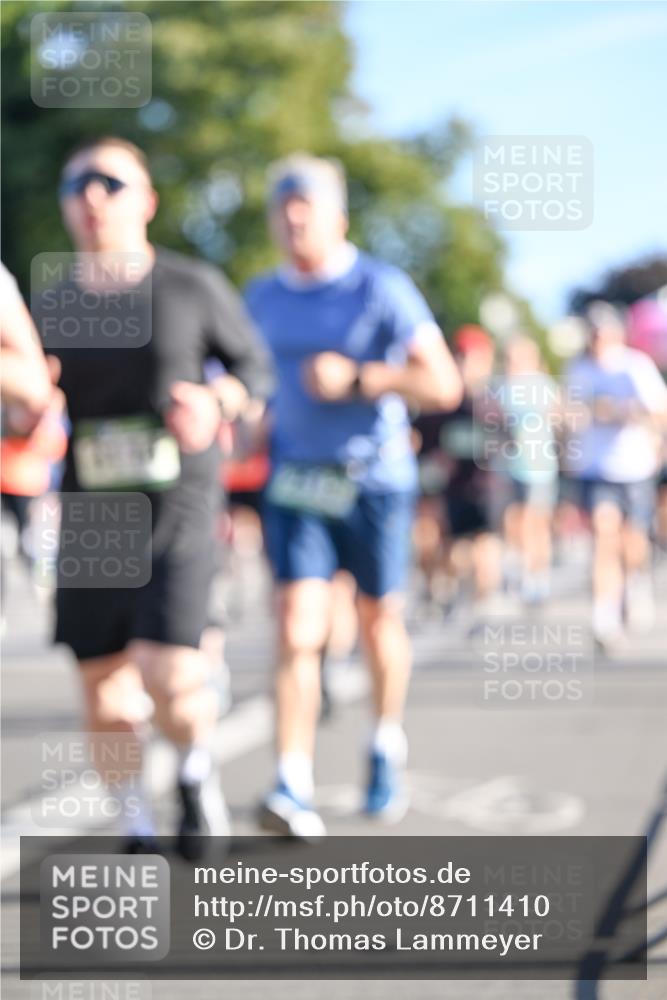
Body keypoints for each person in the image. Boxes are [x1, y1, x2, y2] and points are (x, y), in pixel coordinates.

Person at [31, 136, 273, 855]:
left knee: (170, 676)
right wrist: (28, 414)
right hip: (93, 509)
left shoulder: (187, 286)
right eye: (76, 184)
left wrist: (218, 399)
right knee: (104, 690)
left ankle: (195, 772)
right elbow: (31, 405)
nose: (91, 196)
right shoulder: (54, 304)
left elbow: (254, 369)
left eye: (109, 181)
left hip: (179, 503)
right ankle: (134, 817)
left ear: (146, 201)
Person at [245, 153, 462, 837]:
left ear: (337, 219)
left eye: (306, 212)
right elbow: (250, 385)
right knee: (293, 623)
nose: (293, 224)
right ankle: (290, 780)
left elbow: (443, 386)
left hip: (374, 480)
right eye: (282, 213)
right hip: (296, 481)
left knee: (376, 622)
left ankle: (383, 742)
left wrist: (363, 379)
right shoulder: (259, 297)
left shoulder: (381, 288)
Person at [565, 301, 667, 650]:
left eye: (602, 332)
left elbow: (659, 413)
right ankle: (604, 617)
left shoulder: (635, 366)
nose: (597, 339)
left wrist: (623, 412)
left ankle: (635, 582)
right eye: (592, 333)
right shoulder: (577, 369)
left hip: (634, 467)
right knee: (602, 535)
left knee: (632, 542)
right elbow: (567, 413)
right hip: (595, 469)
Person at [414, 325, 503, 627]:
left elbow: (507, 441)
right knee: (452, 551)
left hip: (486, 487)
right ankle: (447, 592)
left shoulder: (492, 403)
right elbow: (422, 441)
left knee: (485, 546)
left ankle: (483, 603)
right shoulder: (441, 402)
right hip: (451, 489)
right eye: (462, 357)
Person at [495, 335, 560, 606]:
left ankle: (538, 575)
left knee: (536, 522)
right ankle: (519, 567)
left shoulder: (542, 385)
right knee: (513, 520)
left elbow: (558, 416)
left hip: (537, 467)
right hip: (507, 466)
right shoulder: (501, 387)